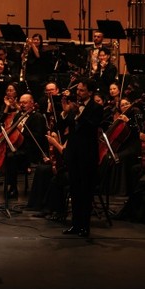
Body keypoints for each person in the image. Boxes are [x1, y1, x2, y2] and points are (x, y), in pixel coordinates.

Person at [57, 77, 104, 237]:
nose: (78, 92)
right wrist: (65, 111)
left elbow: (91, 126)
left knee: (86, 191)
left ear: (90, 92)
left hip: (87, 155)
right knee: (75, 189)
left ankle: (85, 226)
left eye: (82, 90)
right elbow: (61, 126)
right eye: (77, 89)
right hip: (73, 153)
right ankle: (75, 225)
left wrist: (78, 113)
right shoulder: (73, 106)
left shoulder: (96, 108)